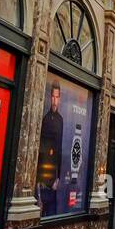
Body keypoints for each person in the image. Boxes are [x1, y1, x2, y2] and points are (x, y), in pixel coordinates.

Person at [37, 82, 64, 216]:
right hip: (44, 180)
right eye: (53, 97)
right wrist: (40, 180)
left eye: (57, 97)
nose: (54, 100)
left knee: (52, 215)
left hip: (54, 181)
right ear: (49, 97)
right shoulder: (46, 119)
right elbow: (41, 153)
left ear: (60, 99)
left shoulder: (60, 120)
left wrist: (58, 178)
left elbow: (59, 152)